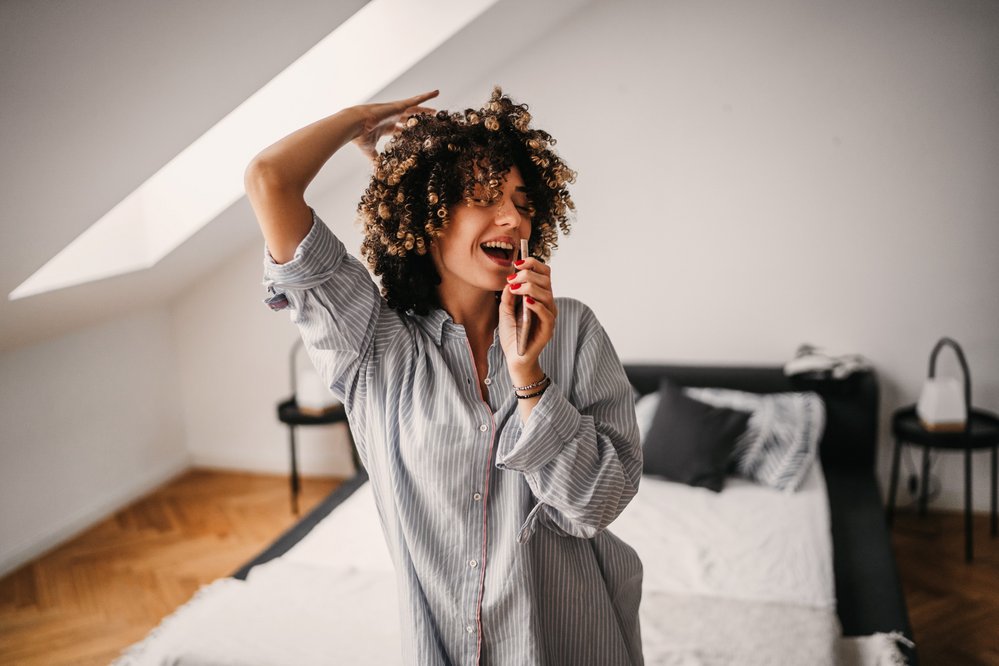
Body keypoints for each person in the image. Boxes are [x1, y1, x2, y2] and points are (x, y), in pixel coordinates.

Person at [245, 86, 644, 666]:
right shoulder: (373, 346)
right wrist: (364, 120)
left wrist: (530, 379)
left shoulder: (575, 331)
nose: (513, 217)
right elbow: (269, 179)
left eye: (524, 202)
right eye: (484, 197)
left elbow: (598, 504)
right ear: (427, 215)